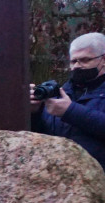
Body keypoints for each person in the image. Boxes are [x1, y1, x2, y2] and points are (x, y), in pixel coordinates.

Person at [30, 32, 105, 170]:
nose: (77, 66)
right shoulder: (62, 92)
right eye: (73, 61)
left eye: (85, 60)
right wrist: (34, 112)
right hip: (62, 179)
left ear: (103, 59)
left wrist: (70, 111)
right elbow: (41, 137)